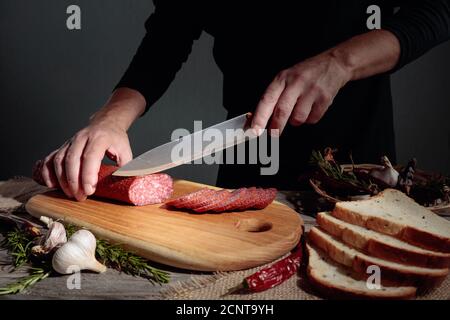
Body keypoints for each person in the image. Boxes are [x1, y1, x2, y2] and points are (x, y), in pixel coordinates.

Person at [40, 1, 450, 201]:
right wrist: (111, 119)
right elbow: (169, 34)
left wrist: (341, 62)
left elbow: (438, 8)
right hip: (247, 166)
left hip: (360, 169)